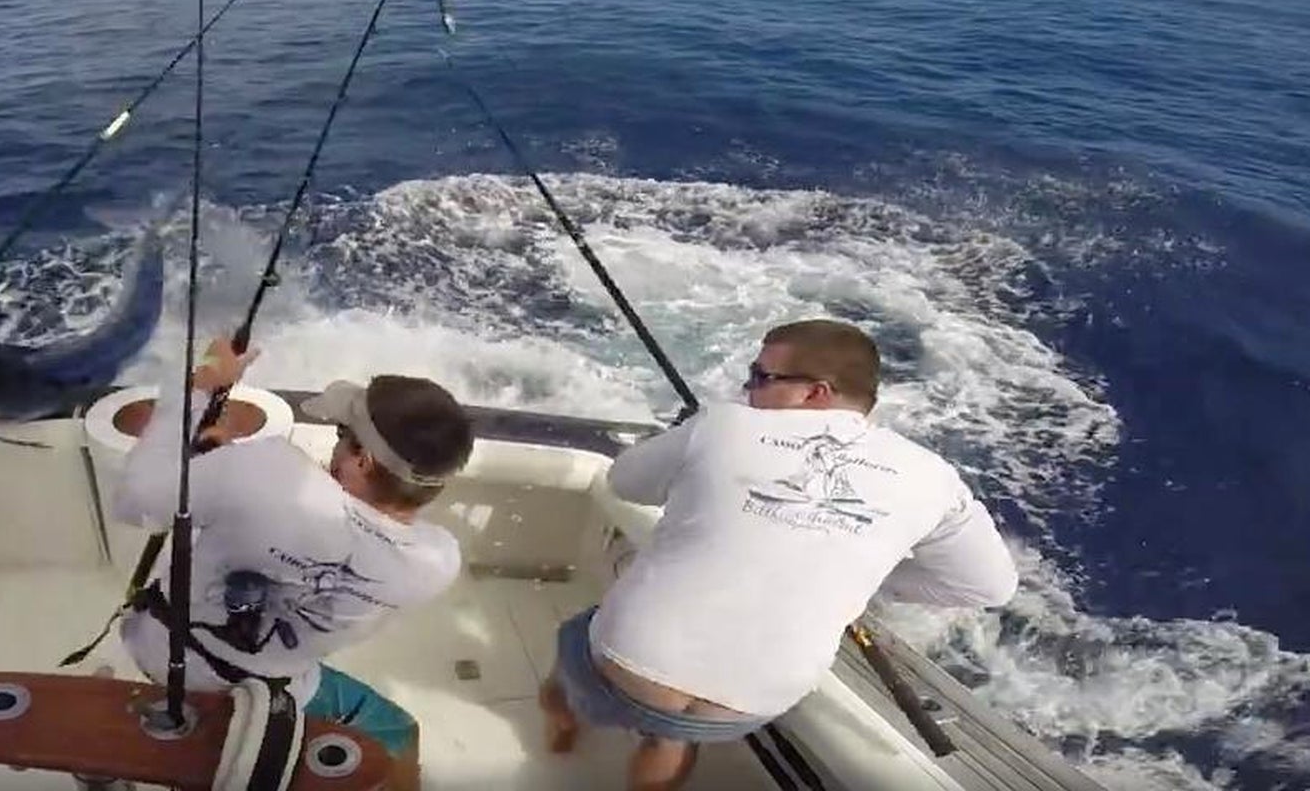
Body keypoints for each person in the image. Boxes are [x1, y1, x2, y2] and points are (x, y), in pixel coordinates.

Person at [541, 319, 1018, 790]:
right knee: (672, 736)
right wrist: (872, 570)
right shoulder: (935, 477)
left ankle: (562, 723)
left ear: (817, 392)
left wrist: (692, 446)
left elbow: (622, 481)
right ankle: (667, 748)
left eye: (761, 377)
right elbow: (990, 586)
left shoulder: (723, 422)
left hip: (632, 662)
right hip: (752, 701)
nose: (749, 389)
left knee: (571, 656)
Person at [108, 336, 474, 791]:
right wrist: (232, 468)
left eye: (344, 437)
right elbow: (352, 524)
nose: (335, 447)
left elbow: (135, 502)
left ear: (361, 460)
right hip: (282, 685)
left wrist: (200, 385)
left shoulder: (267, 473)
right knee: (398, 733)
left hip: (166, 655)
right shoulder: (436, 562)